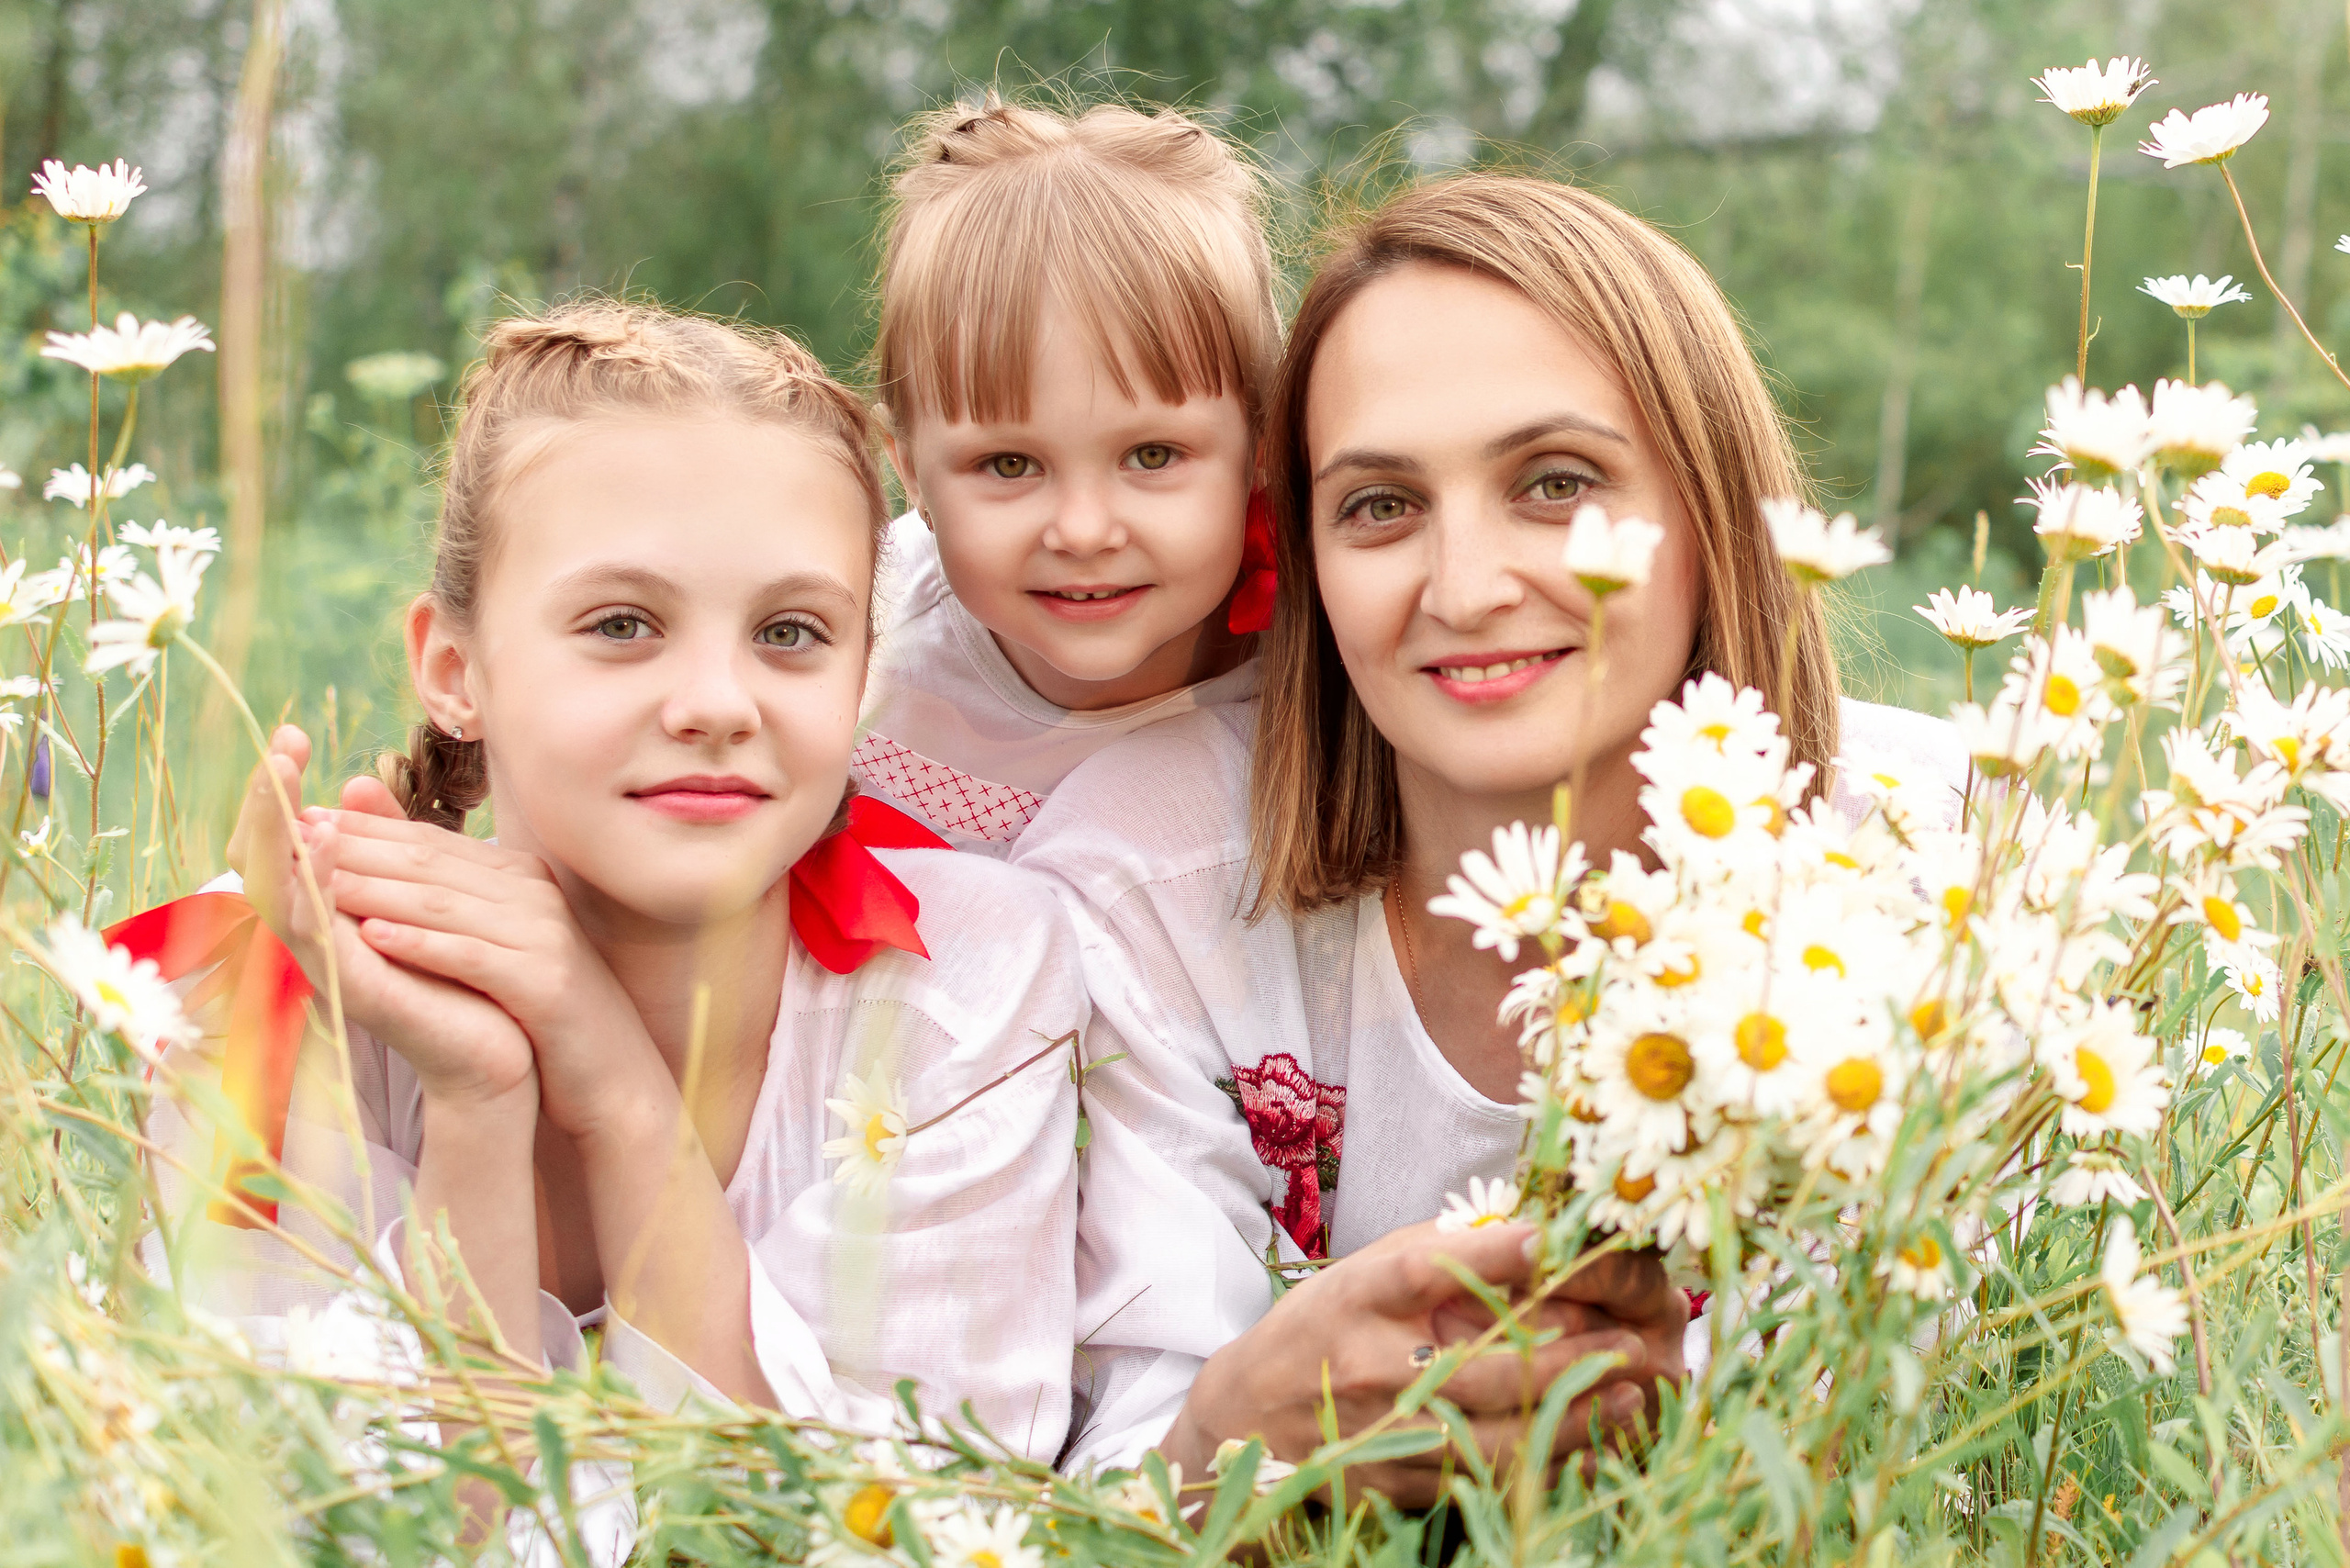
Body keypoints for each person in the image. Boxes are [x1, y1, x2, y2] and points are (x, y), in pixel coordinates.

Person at [1017, 174, 1967, 1494]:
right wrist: (1229, 1441)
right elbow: (1111, 1477)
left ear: (1711, 507)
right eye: (1380, 506)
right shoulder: (1153, 884)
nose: (1465, 589)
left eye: (1557, 482)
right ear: (1301, 556)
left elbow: (1977, 1436)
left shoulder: (1941, 861)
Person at [148, 300, 1085, 1462]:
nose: (715, 703)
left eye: (790, 633)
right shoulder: (272, 998)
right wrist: (481, 1101)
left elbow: (886, 1516)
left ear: (860, 678)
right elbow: (378, 1524)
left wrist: (613, 1083)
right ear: (455, 669)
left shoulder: (970, 984)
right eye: (624, 623)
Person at [853, 96, 1279, 855]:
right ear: (909, 470)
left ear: (1262, 444)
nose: (1083, 531)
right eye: (1009, 465)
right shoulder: (858, 658)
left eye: (1151, 456)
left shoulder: (1319, 675)